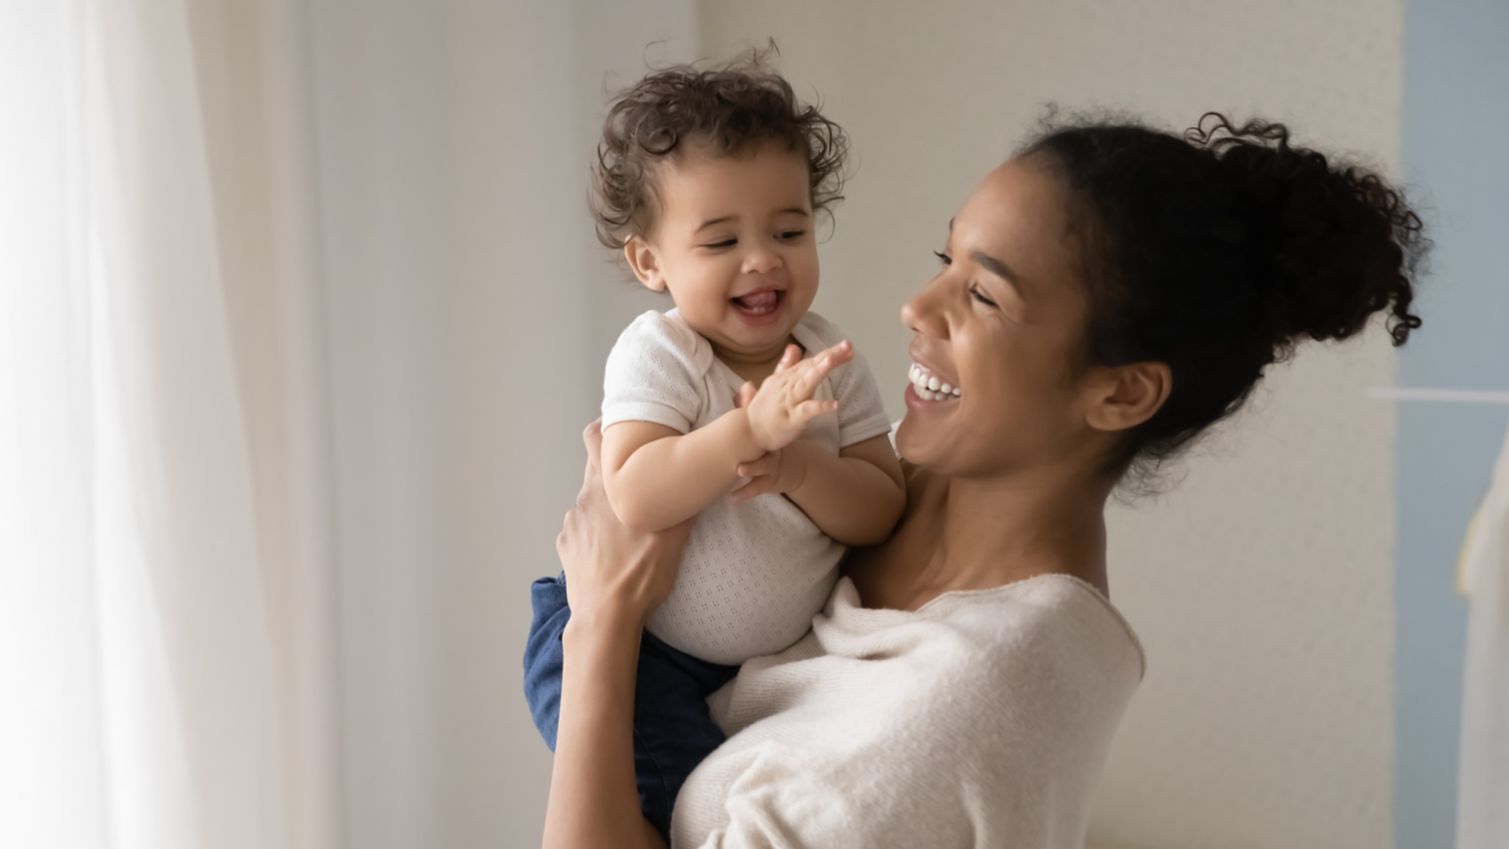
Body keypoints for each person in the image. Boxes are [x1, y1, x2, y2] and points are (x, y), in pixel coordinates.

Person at [539, 110, 1428, 849]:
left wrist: (603, 622)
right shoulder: (902, 467)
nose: (916, 309)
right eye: (945, 261)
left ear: (1119, 391)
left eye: (986, 296)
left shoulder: (966, 709)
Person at [523, 56, 904, 843]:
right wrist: (748, 431)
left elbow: (880, 506)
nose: (761, 258)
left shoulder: (833, 359)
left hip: (749, 672)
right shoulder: (663, 356)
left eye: (789, 230)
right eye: (721, 238)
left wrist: (800, 467)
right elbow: (633, 492)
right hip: (635, 653)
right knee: (691, 805)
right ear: (650, 262)